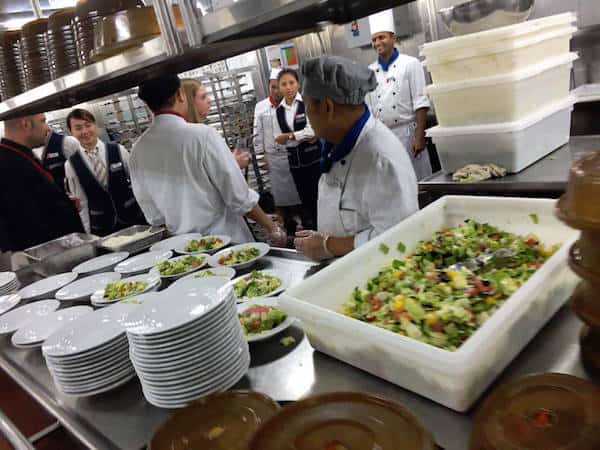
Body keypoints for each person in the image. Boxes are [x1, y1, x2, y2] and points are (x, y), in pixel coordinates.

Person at [130, 74, 286, 245]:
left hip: (185, 250)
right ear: (181, 95)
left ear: (147, 104)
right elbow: (238, 197)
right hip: (226, 243)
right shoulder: (202, 135)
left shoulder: (137, 150)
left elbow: (154, 215)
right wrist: (271, 227)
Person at [294, 55, 419, 261]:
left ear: (327, 107)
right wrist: (321, 240)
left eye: (306, 106)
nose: (307, 115)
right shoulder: (337, 142)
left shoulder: (380, 159)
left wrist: (328, 245)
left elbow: (399, 238)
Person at [0, 114, 83, 252]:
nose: (47, 128)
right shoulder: (6, 164)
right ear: (25, 124)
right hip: (48, 258)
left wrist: (64, 203)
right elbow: (24, 222)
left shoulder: (21, 155)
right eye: (43, 121)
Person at [365, 9, 432, 180]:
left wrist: (420, 137)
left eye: (382, 37)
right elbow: (370, 111)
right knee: (394, 186)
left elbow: (421, 102)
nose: (377, 42)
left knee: (417, 183)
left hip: (408, 135)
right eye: (374, 39)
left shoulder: (410, 64)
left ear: (393, 38)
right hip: (384, 137)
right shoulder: (370, 71)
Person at [64, 108, 145, 236]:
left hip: (133, 218)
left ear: (95, 125)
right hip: (102, 227)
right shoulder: (71, 165)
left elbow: (139, 183)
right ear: (71, 132)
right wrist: (88, 234)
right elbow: (82, 203)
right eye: (78, 128)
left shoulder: (118, 150)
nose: (85, 131)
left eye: (88, 125)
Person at [254, 68, 301, 236]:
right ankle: (288, 233)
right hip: (273, 163)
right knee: (281, 204)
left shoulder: (294, 105)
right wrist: (261, 161)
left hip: (292, 159)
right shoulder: (260, 107)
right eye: (272, 87)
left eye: (278, 87)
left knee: (299, 201)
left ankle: (303, 228)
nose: (275, 91)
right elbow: (257, 136)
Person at [272, 68, 321, 230]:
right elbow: (278, 138)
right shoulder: (278, 111)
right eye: (284, 84)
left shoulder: (306, 102)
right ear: (279, 88)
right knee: (306, 200)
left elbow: (313, 130)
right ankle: (315, 232)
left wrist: (291, 136)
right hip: (295, 163)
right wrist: (300, 136)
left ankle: (327, 231)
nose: (288, 87)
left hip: (314, 159)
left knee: (320, 197)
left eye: (291, 82)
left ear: (298, 84)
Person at [181, 78, 251, 169]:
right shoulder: (201, 135)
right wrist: (234, 164)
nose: (209, 100)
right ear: (190, 103)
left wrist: (230, 160)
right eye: (203, 97)